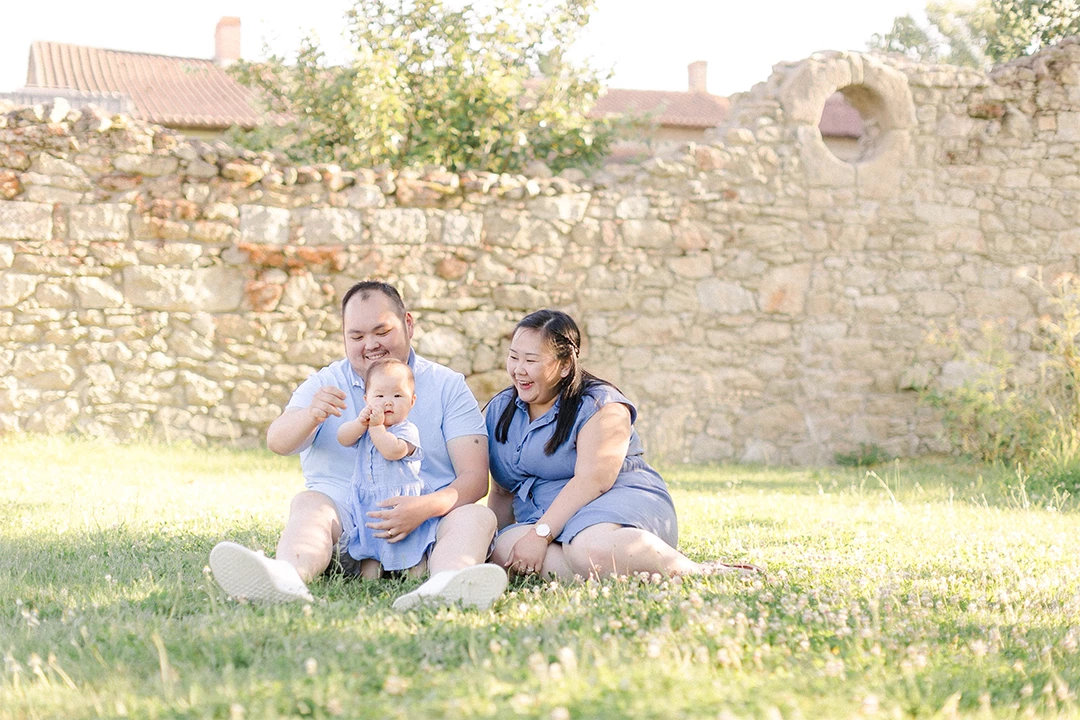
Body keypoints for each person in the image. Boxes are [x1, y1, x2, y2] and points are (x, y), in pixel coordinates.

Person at [210, 281, 507, 610]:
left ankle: (443, 586)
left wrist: (424, 508)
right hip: (349, 529)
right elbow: (277, 441)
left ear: (408, 324)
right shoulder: (326, 382)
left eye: (381, 331)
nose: (370, 345)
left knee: (477, 518)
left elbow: (475, 478)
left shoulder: (446, 385)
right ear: (344, 336)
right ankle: (287, 578)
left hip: (429, 528)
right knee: (310, 503)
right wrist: (311, 414)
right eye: (356, 336)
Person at [486, 309, 762, 580]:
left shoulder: (602, 405)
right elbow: (501, 491)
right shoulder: (500, 410)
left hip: (612, 503)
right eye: (513, 357)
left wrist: (540, 535)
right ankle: (608, 570)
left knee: (590, 548)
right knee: (504, 551)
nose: (518, 370)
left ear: (565, 365)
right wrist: (494, 550)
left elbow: (592, 482)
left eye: (531, 360)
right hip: (543, 516)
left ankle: (698, 572)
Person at [337, 358, 435, 577]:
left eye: (397, 396)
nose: (388, 402)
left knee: (412, 558)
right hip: (369, 506)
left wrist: (376, 428)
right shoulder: (366, 428)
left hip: (400, 505)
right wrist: (359, 424)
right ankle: (370, 582)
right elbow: (343, 438)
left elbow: (392, 451)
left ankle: (416, 577)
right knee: (370, 553)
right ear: (366, 400)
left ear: (412, 401)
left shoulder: (406, 430)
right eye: (379, 396)